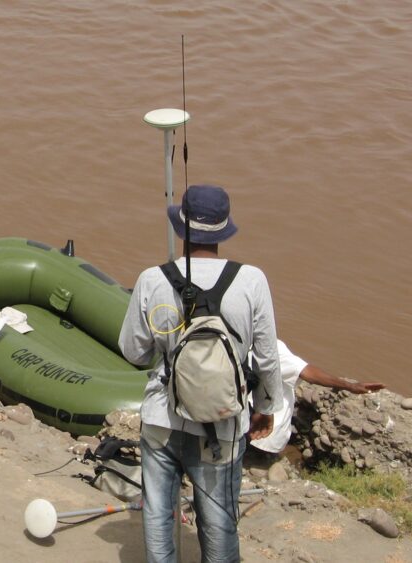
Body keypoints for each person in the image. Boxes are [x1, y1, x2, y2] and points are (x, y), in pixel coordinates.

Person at [119, 184, 283, 562]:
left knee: (159, 518)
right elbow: (268, 358)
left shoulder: (152, 279)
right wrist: (266, 405)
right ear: (224, 230)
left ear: (181, 228)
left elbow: (132, 350)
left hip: (162, 419)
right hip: (222, 424)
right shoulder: (252, 280)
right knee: (219, 522)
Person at [250, 340, 385, 455]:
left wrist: (351, 386)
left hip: (263, 434)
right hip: (257, 430)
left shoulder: (267, 347)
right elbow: (307, 372)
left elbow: (307, 372)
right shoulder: (257, 345)